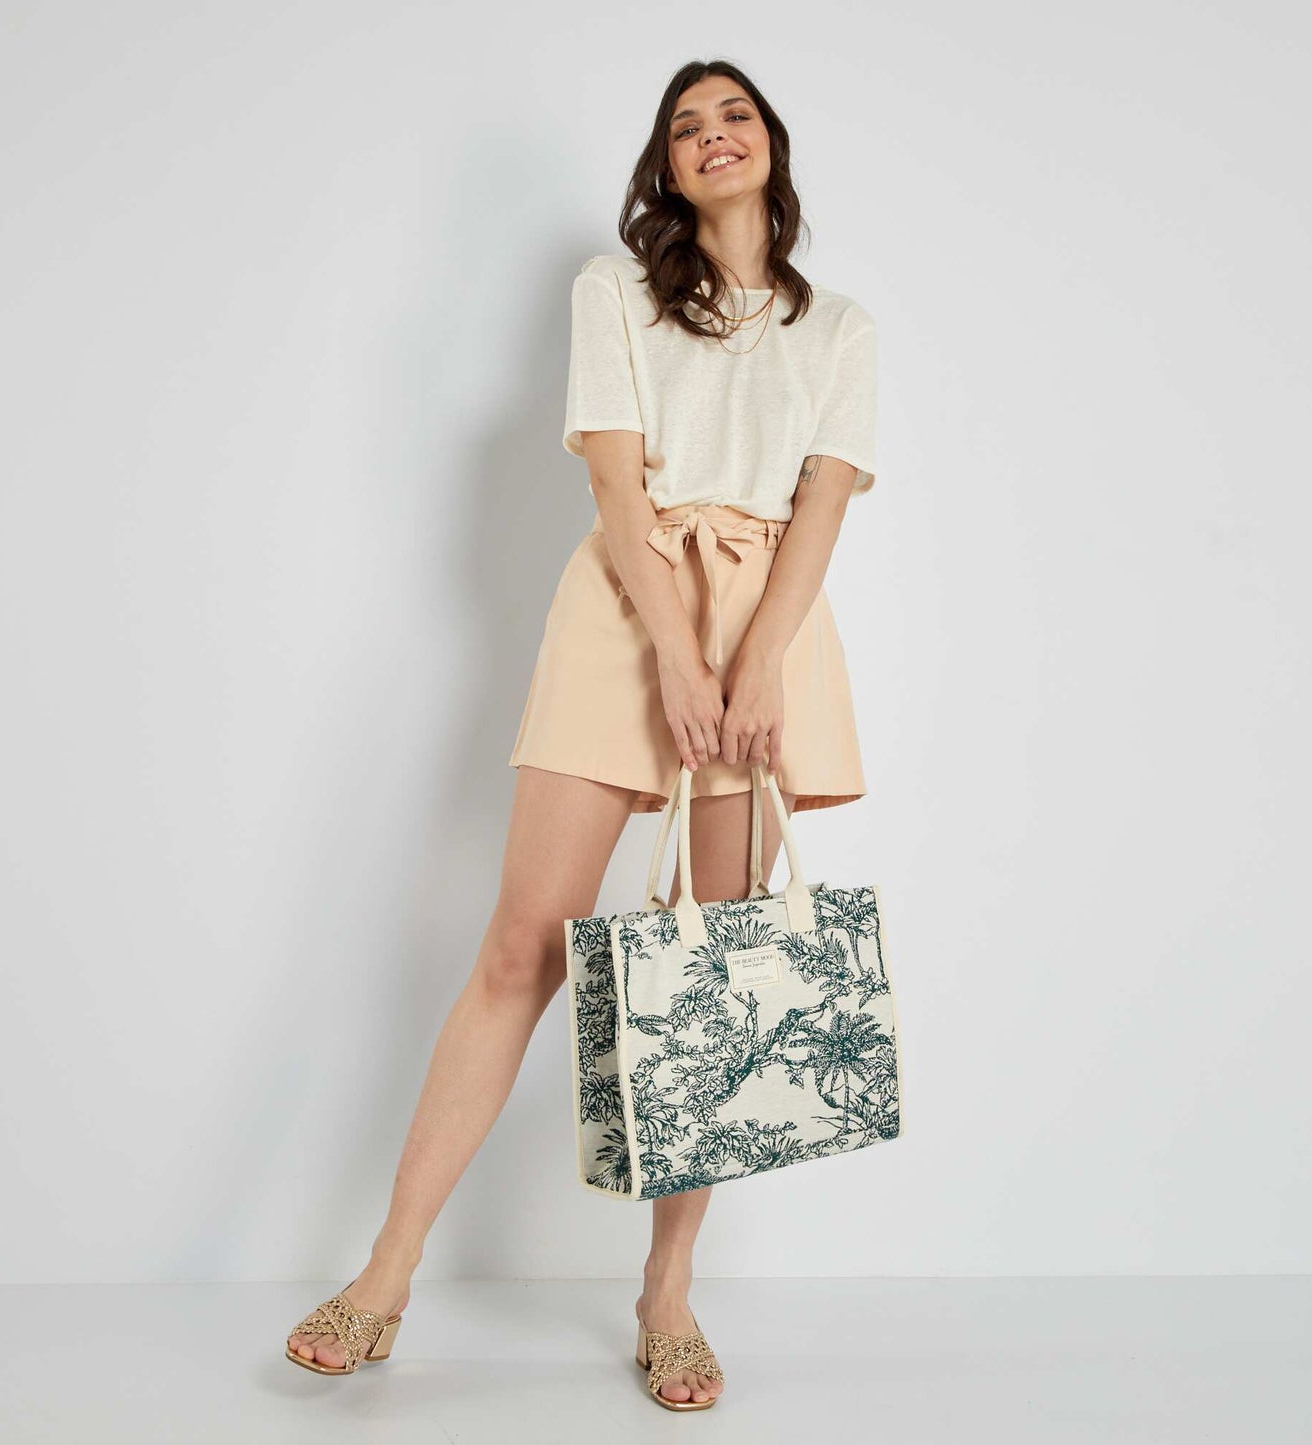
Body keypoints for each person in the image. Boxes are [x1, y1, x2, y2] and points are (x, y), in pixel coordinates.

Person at [285, 57, 877, 1411]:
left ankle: (666, 1294)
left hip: (767, 631)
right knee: (521, 943)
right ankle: (385, 1273)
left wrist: (756, 664)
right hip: (626, 613)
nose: (712, 137)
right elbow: (616, 483)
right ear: (665, 165)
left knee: (714, 983)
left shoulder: (840, 326)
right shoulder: (614, 290)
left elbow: (824, 507)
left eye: (733, 116)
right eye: (686, 126)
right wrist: (673, 650)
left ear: (771, 144)